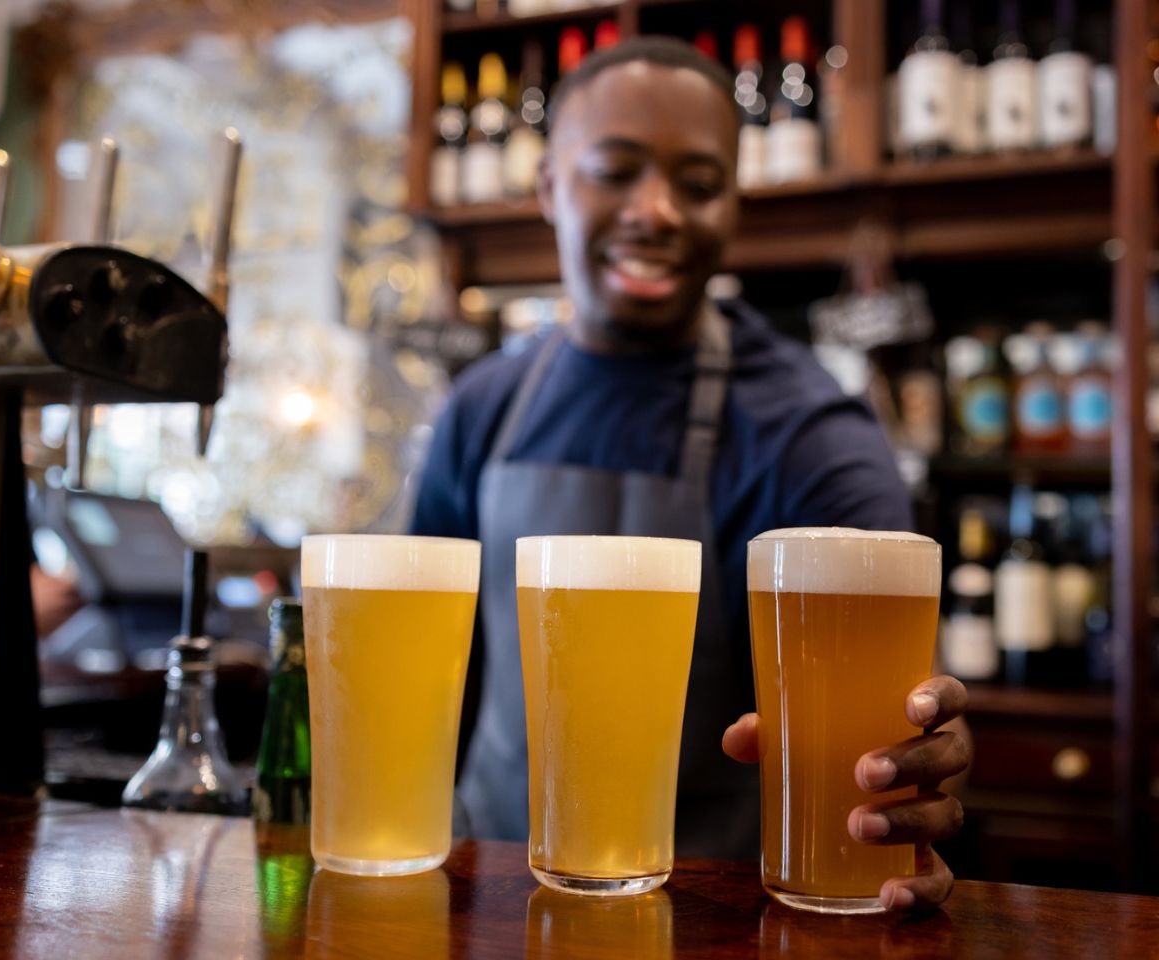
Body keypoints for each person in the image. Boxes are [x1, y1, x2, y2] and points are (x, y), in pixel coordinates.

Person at [409, 37, 969, 913]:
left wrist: (904, 767)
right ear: (549, 188)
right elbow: (428, 677)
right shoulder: (480, 407)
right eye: (615, 170)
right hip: (492, 895)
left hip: (710, 912)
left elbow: (890, 709)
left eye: (700, 185)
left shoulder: (809, 429)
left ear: (733, 208)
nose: (658, 211)